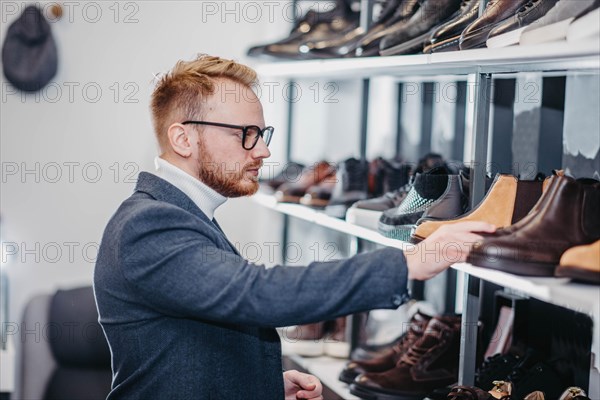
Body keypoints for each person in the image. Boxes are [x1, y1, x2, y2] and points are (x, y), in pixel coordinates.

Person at [93, 54, 495, 400]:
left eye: (262, 133)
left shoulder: (179, 214)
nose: (264, 151)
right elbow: (257, 293)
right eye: (246, 135)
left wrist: (258, 387)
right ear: (182, 138)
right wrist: (408, 264)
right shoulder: (150, 224)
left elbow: (188, 349)